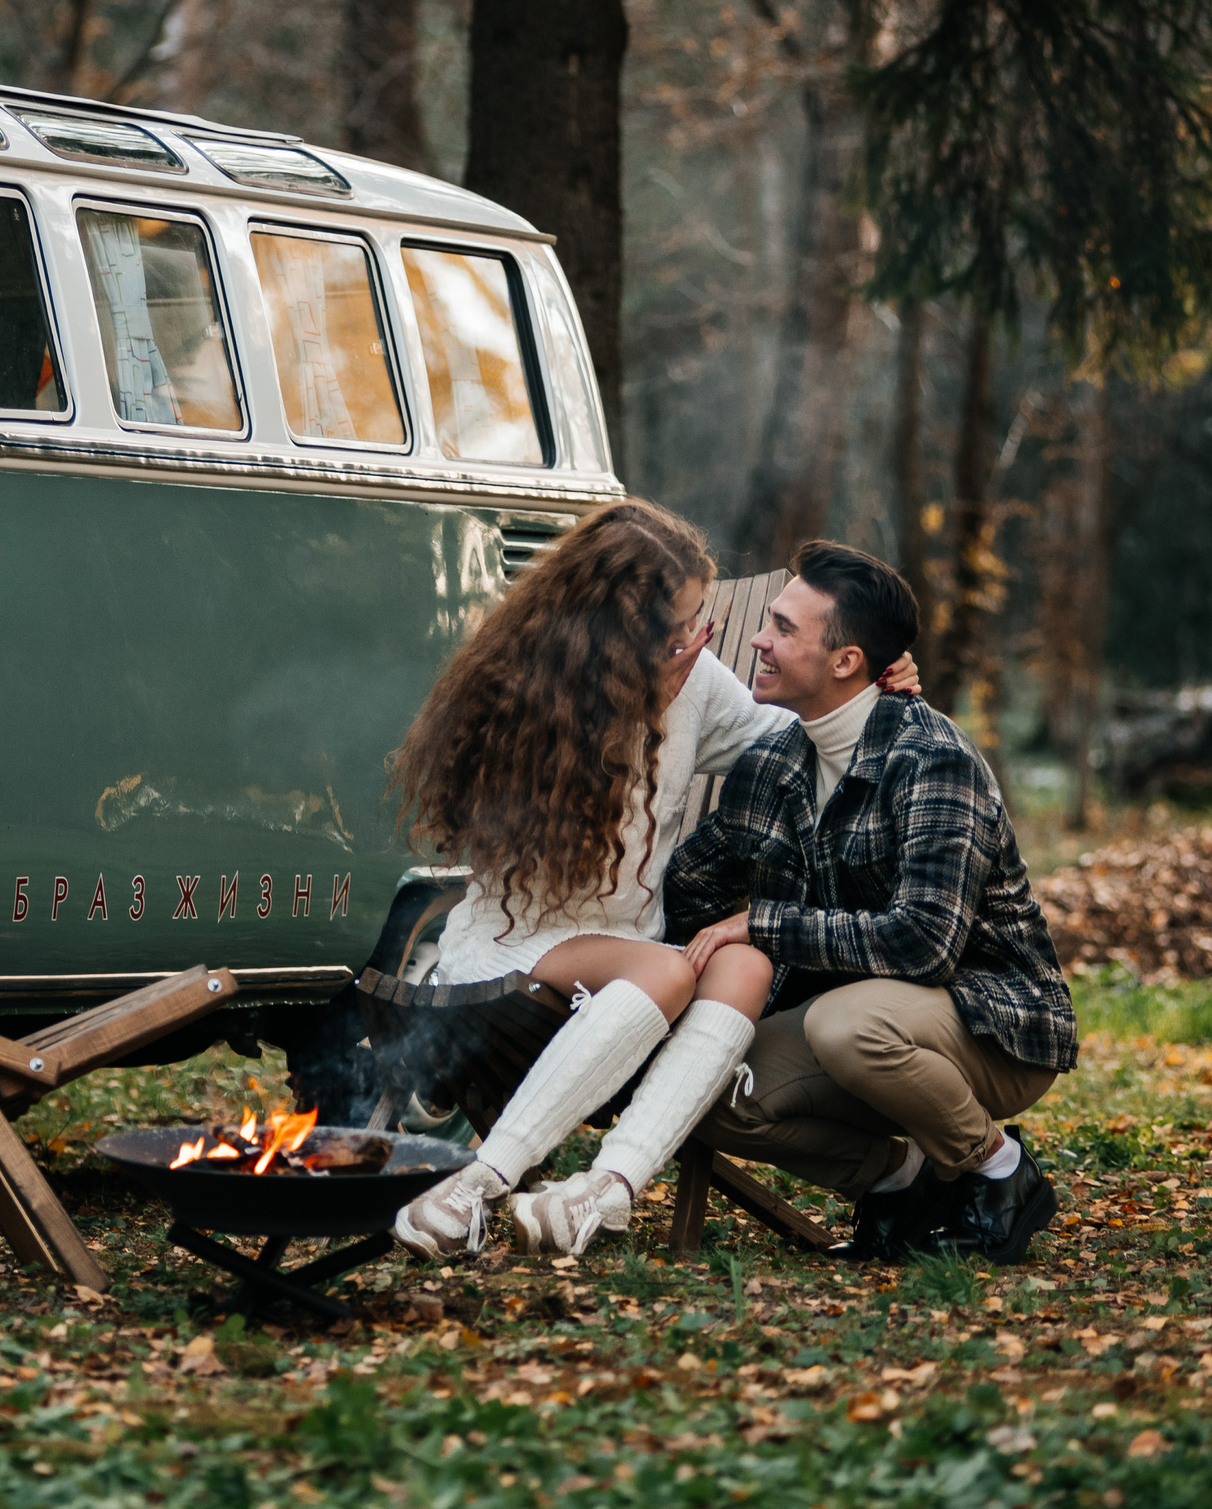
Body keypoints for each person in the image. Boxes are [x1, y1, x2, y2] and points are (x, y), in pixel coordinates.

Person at [384, 501, 916, 1259]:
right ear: (613, 642)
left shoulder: (693, 679)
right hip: (515, 949)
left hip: (631, 959)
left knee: (746, 958)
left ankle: (602, 1193)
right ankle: (476, 1183)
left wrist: (869, 696)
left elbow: (789, 738)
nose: (701, 644)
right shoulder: (534, 697)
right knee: (669, 966)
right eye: (680, 632)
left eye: (703, 623)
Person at [665, 540, 1077, 1264]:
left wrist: (765, 924)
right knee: (711, 1084)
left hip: (992, 1022)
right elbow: (691, 885)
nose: (759, 639)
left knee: (845, 1023)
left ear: (847, 660)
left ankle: (998, 1171)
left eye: (784, 629)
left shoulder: (932, 759)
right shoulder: (771, 765)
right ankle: (905, 1181)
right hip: (854, 1025)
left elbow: (924, 944)